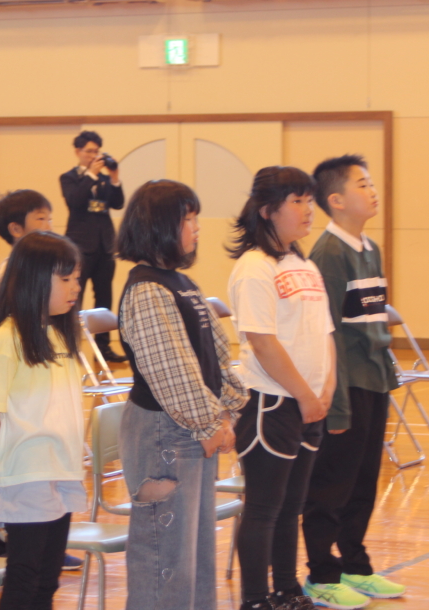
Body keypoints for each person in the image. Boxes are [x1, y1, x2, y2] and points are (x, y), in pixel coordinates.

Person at [115, 179, 247, 610]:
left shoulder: (180, 283)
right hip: (164, 434)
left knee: (194, 556)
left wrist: (227, 413)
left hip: (191, 430)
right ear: (160, 227)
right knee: (166, 559)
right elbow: (171, 370)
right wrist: (210, 423)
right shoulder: (147, 290)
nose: (197, 227)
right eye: (188, 219)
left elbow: (217, 354)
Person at [228, 166, 335, 610]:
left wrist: (325, 390)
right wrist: (305, 395)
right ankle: (255, 599)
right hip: (271, 403)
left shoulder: (305, 264)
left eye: (310, 200)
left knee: (293, 505)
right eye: (298, 201)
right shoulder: (254, 267)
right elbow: (263, 342)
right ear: (268, 210)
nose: (309, 210)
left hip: (309, 406)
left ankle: (287, 591)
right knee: (264, 507)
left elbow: (325, 333)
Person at [302, 155, 403, 610]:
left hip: (373, 381)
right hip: (345, 387)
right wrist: (337, 401)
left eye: (371, 182)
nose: (373, 190)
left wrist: (387, 375)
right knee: (332, 483)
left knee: (363, 481)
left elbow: (372, 324)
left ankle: (355, 566)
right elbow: (331, 337)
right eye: (362, 184)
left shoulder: (370, 248)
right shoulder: (328, 254)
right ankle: (321, 574)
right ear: (337, 200)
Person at [0, 231, 86, 610]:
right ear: (34, 280)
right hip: (25, 477)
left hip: (60, 470)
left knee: (48, 580)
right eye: (65, 278)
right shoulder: (7, 339)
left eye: (77, 278)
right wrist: (3, 471)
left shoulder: (61, 335)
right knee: (24, 579)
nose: (76, 287)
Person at [59, 130, 126, 362]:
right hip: (79, 246)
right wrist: (90, 175)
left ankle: (103, 348)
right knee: (73, 297)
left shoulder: (104, 179)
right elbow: (75, 201)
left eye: (96, 151)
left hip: (105, 245)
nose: (93, 155)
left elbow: (118, 203)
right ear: (78, 152)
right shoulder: (69, 178)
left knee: (104, 297)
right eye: (89, 151)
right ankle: (70, 345)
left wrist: (114, 177)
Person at [0, 189, 53, 287]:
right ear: (16, 229)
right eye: (41, 218)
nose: (49, 228)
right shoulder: (8, 273)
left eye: (49, 220)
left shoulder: (49, 266)